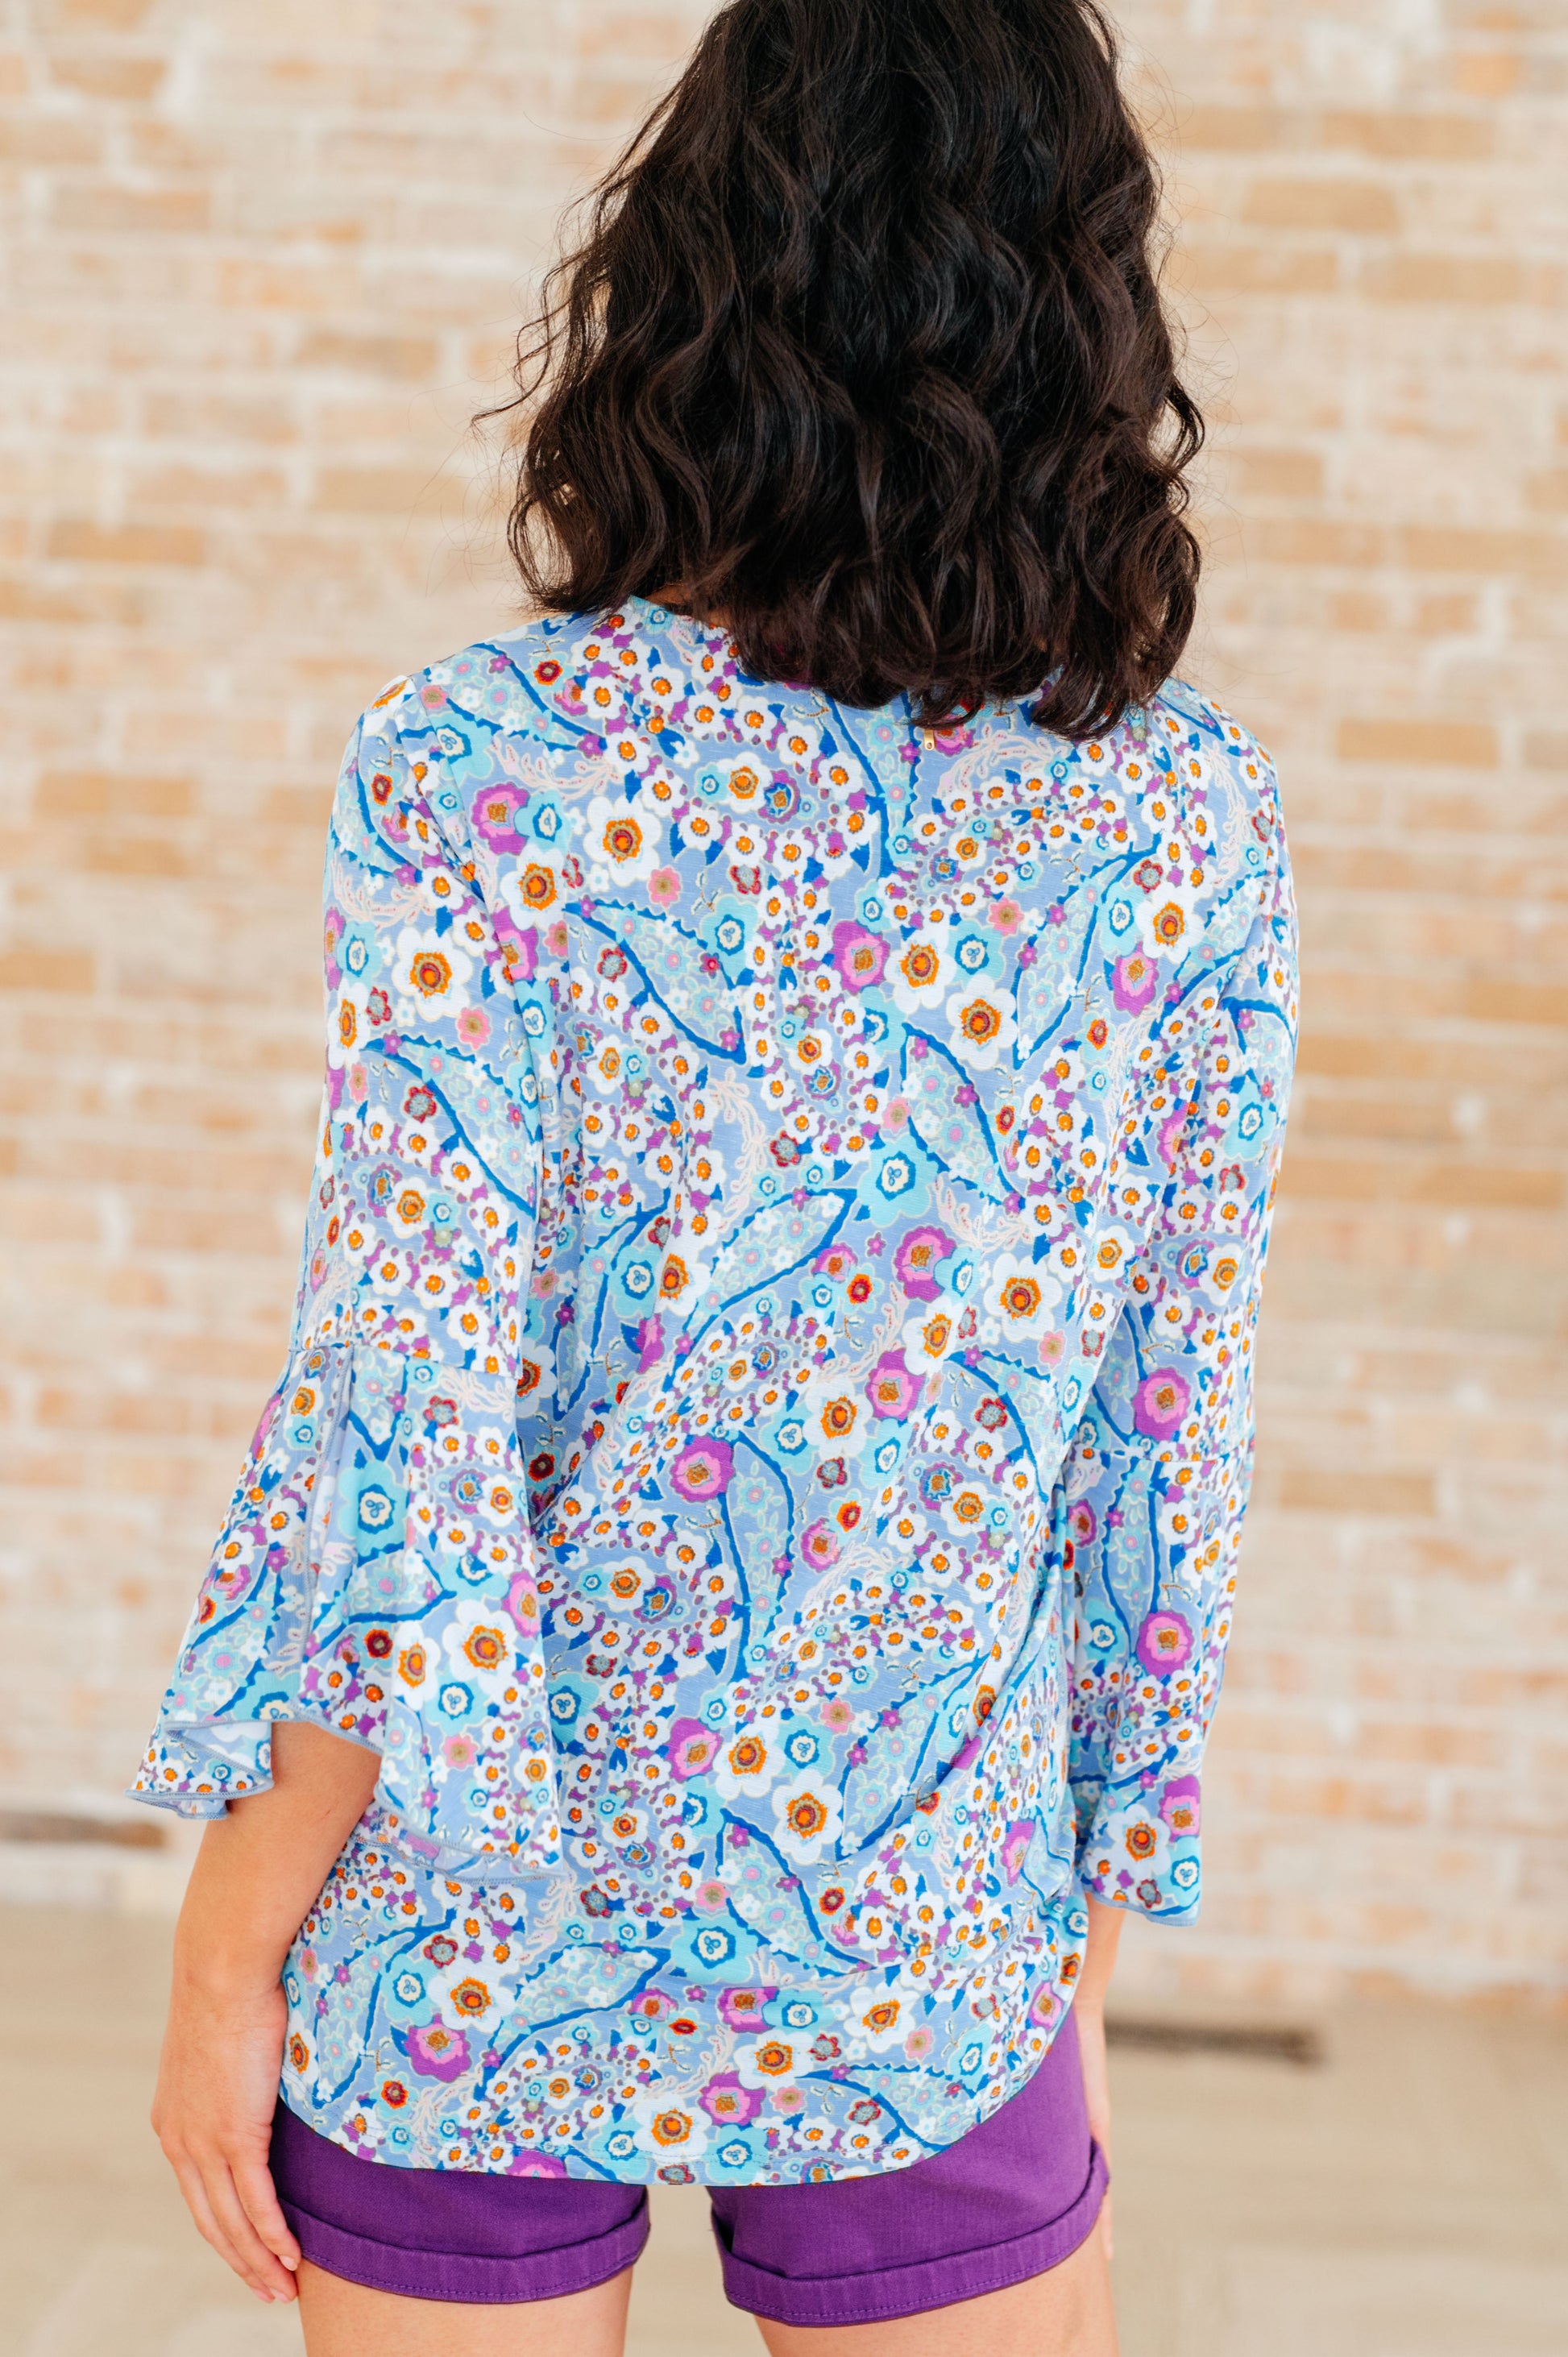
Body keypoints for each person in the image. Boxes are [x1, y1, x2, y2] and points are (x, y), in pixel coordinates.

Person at [133, 1, 1297, 2350]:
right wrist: (1070, 1956)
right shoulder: (1185, 819)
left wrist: (225, 1945)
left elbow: (406, 1416)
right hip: (927, 1930)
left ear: (685, 280)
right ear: (1083, 312)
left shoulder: (483, 764)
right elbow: (1156, 1455)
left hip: (471, 1914)